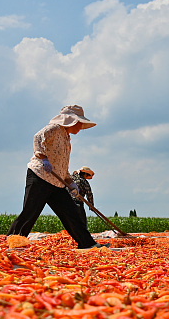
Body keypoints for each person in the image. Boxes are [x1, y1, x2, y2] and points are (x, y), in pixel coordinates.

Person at [7, 106, 104, 249]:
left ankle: (87, 243)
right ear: (71, 121)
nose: (80, 127)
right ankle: (12, 242)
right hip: (40, 176)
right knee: (30, 211)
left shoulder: (66, 138)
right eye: (79, 123)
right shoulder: (53, 129)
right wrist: (43, 157)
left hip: (57, 181)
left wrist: (70, 182)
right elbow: (37, 138)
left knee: (71, 213)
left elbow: (62, 165)